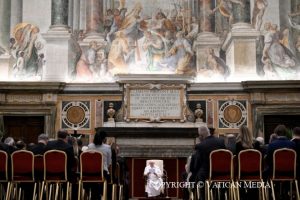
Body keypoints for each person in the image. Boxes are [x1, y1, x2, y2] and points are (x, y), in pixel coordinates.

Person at [194, 126, 225, 199]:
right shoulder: (221, 141)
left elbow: (197, 163)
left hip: (208, 173)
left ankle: (203, 197)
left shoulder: (200, 145)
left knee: (198, 174)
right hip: (222, 172)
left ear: (201, 136)